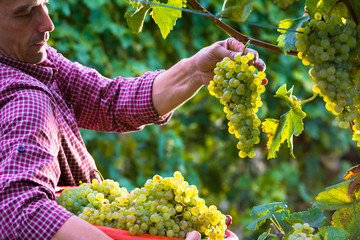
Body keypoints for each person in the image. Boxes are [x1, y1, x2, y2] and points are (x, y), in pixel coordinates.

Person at [0, 0, 266, 239]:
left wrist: (194, 70)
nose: (48, 23)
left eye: (44, 3)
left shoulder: (32, 61)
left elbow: (108, 101)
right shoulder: (26, 101)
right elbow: (19, 211)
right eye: (25, 13)